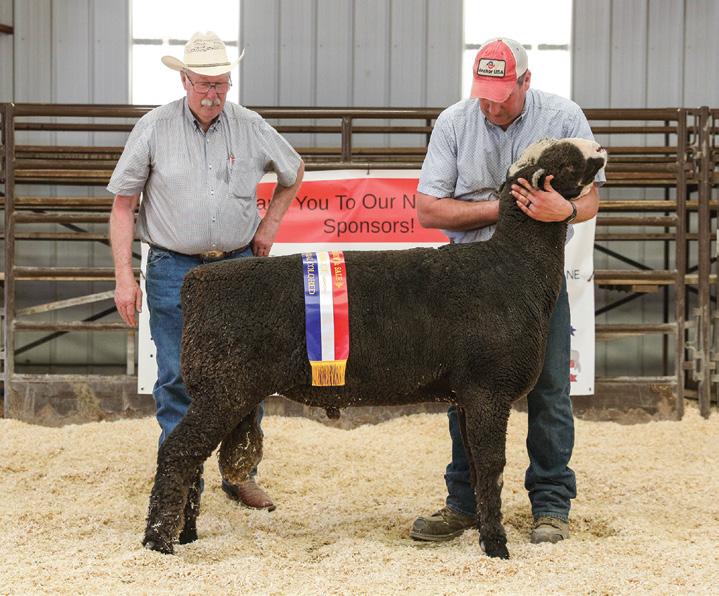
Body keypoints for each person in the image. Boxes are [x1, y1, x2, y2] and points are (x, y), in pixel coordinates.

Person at [410, 38, 604, 544]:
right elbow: (428, 208)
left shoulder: (562, 117)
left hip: (535, 283)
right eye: (483, 95)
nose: (491, 107)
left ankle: (551, 505)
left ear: (525, 81)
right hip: (468, 285)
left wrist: (565, 210)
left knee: (549, 388)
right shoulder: (455, 122)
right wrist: (507, 208)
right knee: (464, 390)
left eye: (501, 96)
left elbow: (592, 200)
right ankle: (466, 503)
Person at [108, 31, 304, 511]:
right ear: (185, 81)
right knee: (177, 374)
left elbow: (293, 171)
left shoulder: (250, 125)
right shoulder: (153, 127)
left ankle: (239, 474)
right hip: (172, 266)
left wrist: (268, 227)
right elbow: (122, 206)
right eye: (204, 84)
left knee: (248, 373)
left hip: (237, 268)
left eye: (221, 83)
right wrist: (124, 278)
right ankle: (180, 481)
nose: (212, 94)